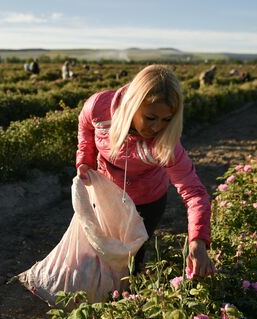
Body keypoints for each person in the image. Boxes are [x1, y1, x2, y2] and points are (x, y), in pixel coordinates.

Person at [76, 64, 216, 278]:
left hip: (147, 201)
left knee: (132, 259)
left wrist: (198, 241)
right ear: (132, 105)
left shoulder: (166, 145)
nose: (157, 127)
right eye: (150, 118)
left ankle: (122, 302)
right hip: (106, 194)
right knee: (96, 250)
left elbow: (195, 193)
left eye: (166, 119)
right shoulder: (99, 106)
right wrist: (85, 160)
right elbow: (86, 126)